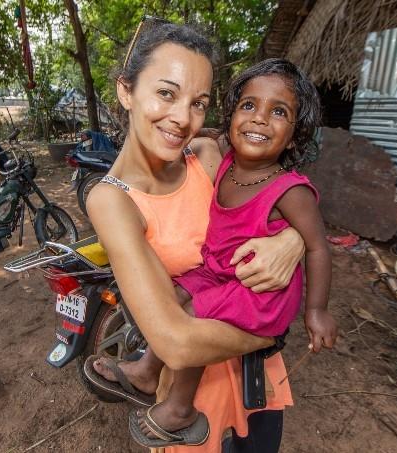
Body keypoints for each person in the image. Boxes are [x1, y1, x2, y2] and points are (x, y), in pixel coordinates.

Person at [84, 23, 311, 452]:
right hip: (193, 390)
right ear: (126, 91)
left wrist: (295, 238)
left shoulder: (208, 157)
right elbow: (176, 342)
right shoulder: (113, 202)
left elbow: (284, 178)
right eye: (166, 93)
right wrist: (272, 330)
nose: (183, 119)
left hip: (255, 378)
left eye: (199, 103)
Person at [121, 58, 337, 448]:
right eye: (249, 106)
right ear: (233, 114)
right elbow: (194, 129)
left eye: (279, 112)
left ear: (293, 136)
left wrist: (317, 310)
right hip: (220, 271)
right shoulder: (225, 160)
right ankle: (148, 369)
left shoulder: (290, 190)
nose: (259, 119)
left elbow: (319, 247)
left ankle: (180, 408)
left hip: (259, 293)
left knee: (190, 320)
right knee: (174, 296)